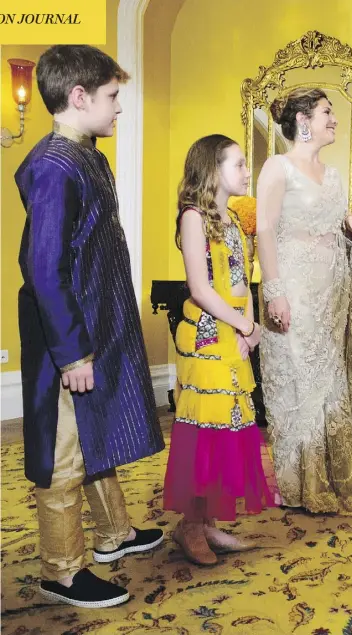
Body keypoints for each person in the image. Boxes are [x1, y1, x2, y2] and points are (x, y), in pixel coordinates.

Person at [15, 45, 165, 609]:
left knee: (96, 430)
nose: (119, 107)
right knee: (64, 451)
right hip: (66, 340)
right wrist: (74, 353)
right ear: (79, 98)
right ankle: (60, 569)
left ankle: (113, 535)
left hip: (95, 326)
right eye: (112, 96)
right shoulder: (55, 168)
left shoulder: (87, 154)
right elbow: (43, 268)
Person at [163, 134, 279, 564]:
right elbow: (200, 288)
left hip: (233, 332)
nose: (248, 171)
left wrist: (250, 327)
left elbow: (242, 279)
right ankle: (189, 526)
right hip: (210, 333)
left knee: (228, 430)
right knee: (204, 432)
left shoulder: (231, 217)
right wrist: (244, 323)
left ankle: (209, 522)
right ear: (213, 169)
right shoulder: (193, 217)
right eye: (240, 163)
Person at [256, 88, 352, 516]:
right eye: (327, 112)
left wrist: (349, 230)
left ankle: (329, 477)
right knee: (300, 385)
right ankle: (300, 484)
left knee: (328, 386)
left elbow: (330, 231)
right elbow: (265, 231)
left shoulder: (335, 174)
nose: (334, 119)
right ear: (303, 119)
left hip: (331, 294)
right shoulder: (278, 168)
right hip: (295, 293)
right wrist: (274, 292)